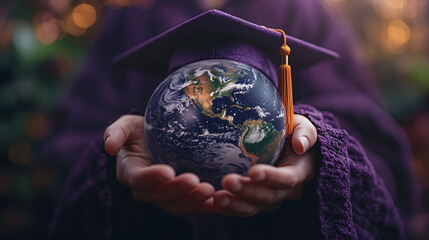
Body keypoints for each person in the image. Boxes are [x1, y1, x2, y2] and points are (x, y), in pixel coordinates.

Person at [45, 0, 419, 239]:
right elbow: (70, 144)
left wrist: (321, 152)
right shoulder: (133, 18)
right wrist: (115, 164)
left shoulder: (301, 11)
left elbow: (374, 138)